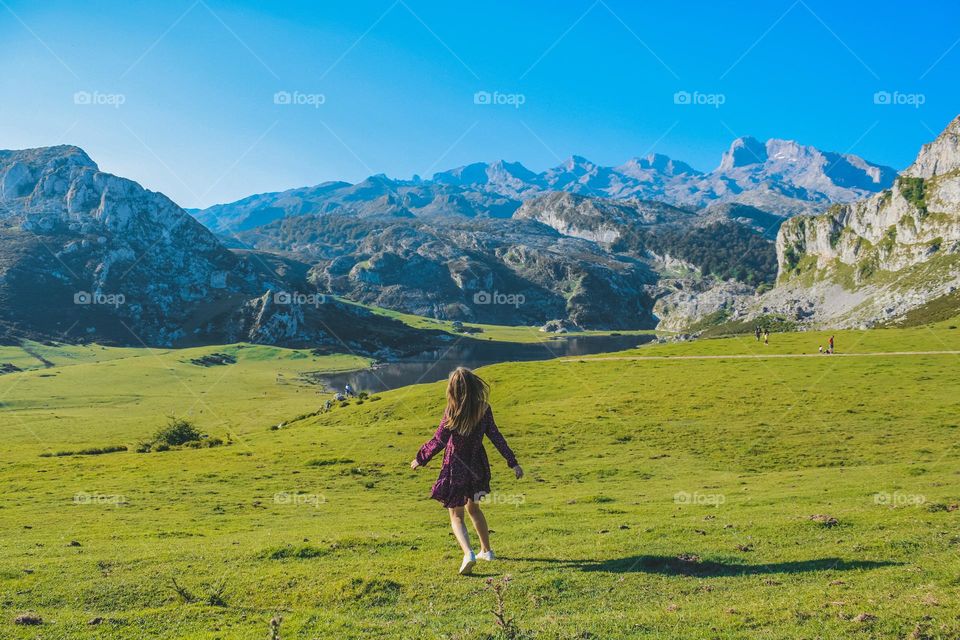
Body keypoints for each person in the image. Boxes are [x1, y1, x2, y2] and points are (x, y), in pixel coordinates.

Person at [411, 367, 523, 575]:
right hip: (477, 465)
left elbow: (439, 441)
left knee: (456, 515)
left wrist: (420, 458)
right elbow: (496, 437)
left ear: (452, 389)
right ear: (474, 386)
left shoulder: (452, 411)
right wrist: (513, 462)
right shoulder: (484, 409)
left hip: (455, 466)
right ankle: (486, 551)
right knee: (474, 509)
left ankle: (468, 553)